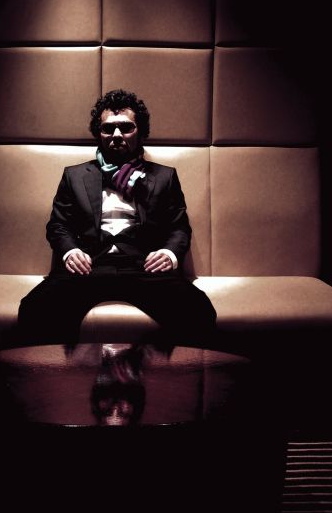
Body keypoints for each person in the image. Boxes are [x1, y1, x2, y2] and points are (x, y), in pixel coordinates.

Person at [18, 89, 216, 347]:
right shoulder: (74, 176)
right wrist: (70, 252)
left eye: (126, 127)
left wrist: (169, 254)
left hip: (143, 266)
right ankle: (59, 373)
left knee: (198, 311)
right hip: (89, 266)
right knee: (35, 310)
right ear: (98, 134)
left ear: (140, 132)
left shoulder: (165, 177)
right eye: (108, 128)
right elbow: (58, 225)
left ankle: (168, 372)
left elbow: (179, 227)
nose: (117, 135)